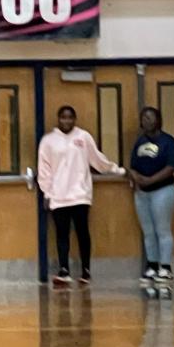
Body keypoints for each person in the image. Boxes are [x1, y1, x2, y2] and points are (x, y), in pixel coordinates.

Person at [38, 105, 125, 285]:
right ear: (58, 119)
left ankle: (86, 270)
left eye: (70, 117)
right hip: (58, 196)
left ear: (74, 119)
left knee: (82, 232)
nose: (67, 121)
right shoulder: (48, 141)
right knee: (62, 234)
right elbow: (44, 169)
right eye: (63, 117)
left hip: (80, 194)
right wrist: (47, 192)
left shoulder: (83, 137)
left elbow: (98, 160)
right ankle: (64, 270)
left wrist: (117, 170)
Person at [129, 107, 174, 284]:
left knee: (163, 229)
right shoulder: (139, 142)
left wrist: (151, 180)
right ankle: (152, 265)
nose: (147, 121)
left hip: (163, 190)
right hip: (142, 193)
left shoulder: (168, 142)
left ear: (158, 120)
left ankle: (165, 268)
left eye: (150, 118)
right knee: (148, 231)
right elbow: (133, 166)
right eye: (144, 118)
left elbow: (172, 166)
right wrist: (137, 178)